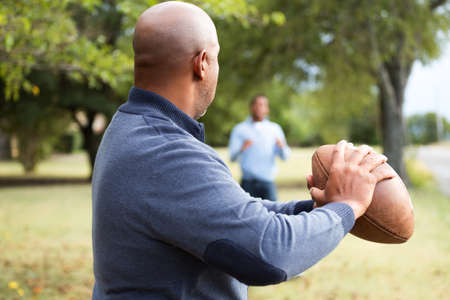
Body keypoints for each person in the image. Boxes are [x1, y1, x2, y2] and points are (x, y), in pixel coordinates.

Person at [91, 2, 394, 299]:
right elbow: (269, 254)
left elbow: (237, 215)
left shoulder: (129, 126)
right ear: (203, 63)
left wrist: (316, 209)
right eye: (219, 58)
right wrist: (347, 207)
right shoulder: (165, 152)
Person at [229, 95, 290, 201]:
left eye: (263, 105)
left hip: (268, 183)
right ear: (251, 107)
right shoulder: (240, 129)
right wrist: (242, 149)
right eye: (257, 105)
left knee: (272, 215)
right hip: (247, 183)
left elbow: (285, 157)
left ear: (267, 109)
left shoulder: (274, 129)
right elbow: (232, 158)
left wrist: (282, 147)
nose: (259, 108)